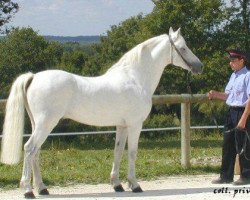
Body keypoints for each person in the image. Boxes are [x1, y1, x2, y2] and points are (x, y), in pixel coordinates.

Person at [208, 49, 250, 185]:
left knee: (244, 145)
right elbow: (229, 96)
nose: (230, 63)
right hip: (231, 111)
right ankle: (226, 175)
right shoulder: (234, 76)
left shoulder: (247, 76)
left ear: (242, 60)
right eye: (230, 61)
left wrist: (243, 119)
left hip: (243, 112)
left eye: (233, 60)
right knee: (228, 144)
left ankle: (246, 175)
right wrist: (215, 94)